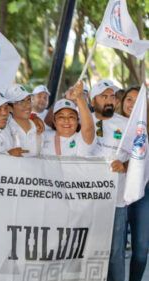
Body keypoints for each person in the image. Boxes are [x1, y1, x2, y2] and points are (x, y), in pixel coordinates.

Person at [88, 79, 130, 281]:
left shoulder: (125, 124)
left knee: (115, 253)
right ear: (92, 99)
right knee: (88, 250)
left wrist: (125, 166)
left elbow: (139, 157)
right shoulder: (80, 120)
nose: (109, 101)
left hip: (117, 201)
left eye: (112, 96)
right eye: (104, 96)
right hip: (86, 201)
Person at [118, 86, 149, 281]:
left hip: (143, 194)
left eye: (139, 100)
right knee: (115, 250)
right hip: (114, 193)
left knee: (140, 249)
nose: (132, 104)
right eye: (129, 99)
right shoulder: (109, 124)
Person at [40, 82, 95, 157]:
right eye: (61, 117)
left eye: (71, 117)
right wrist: (66, 98)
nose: (66, 120)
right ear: (54, 122)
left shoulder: (81, 139)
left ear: (77, 120)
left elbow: (88, 129)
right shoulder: (43, 136)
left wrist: (79, 97)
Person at [6, 84, 43, 156]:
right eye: (21, 102)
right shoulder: (6, 130)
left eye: (28, 100)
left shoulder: (39, 128)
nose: (27, 105)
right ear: (9, 107)